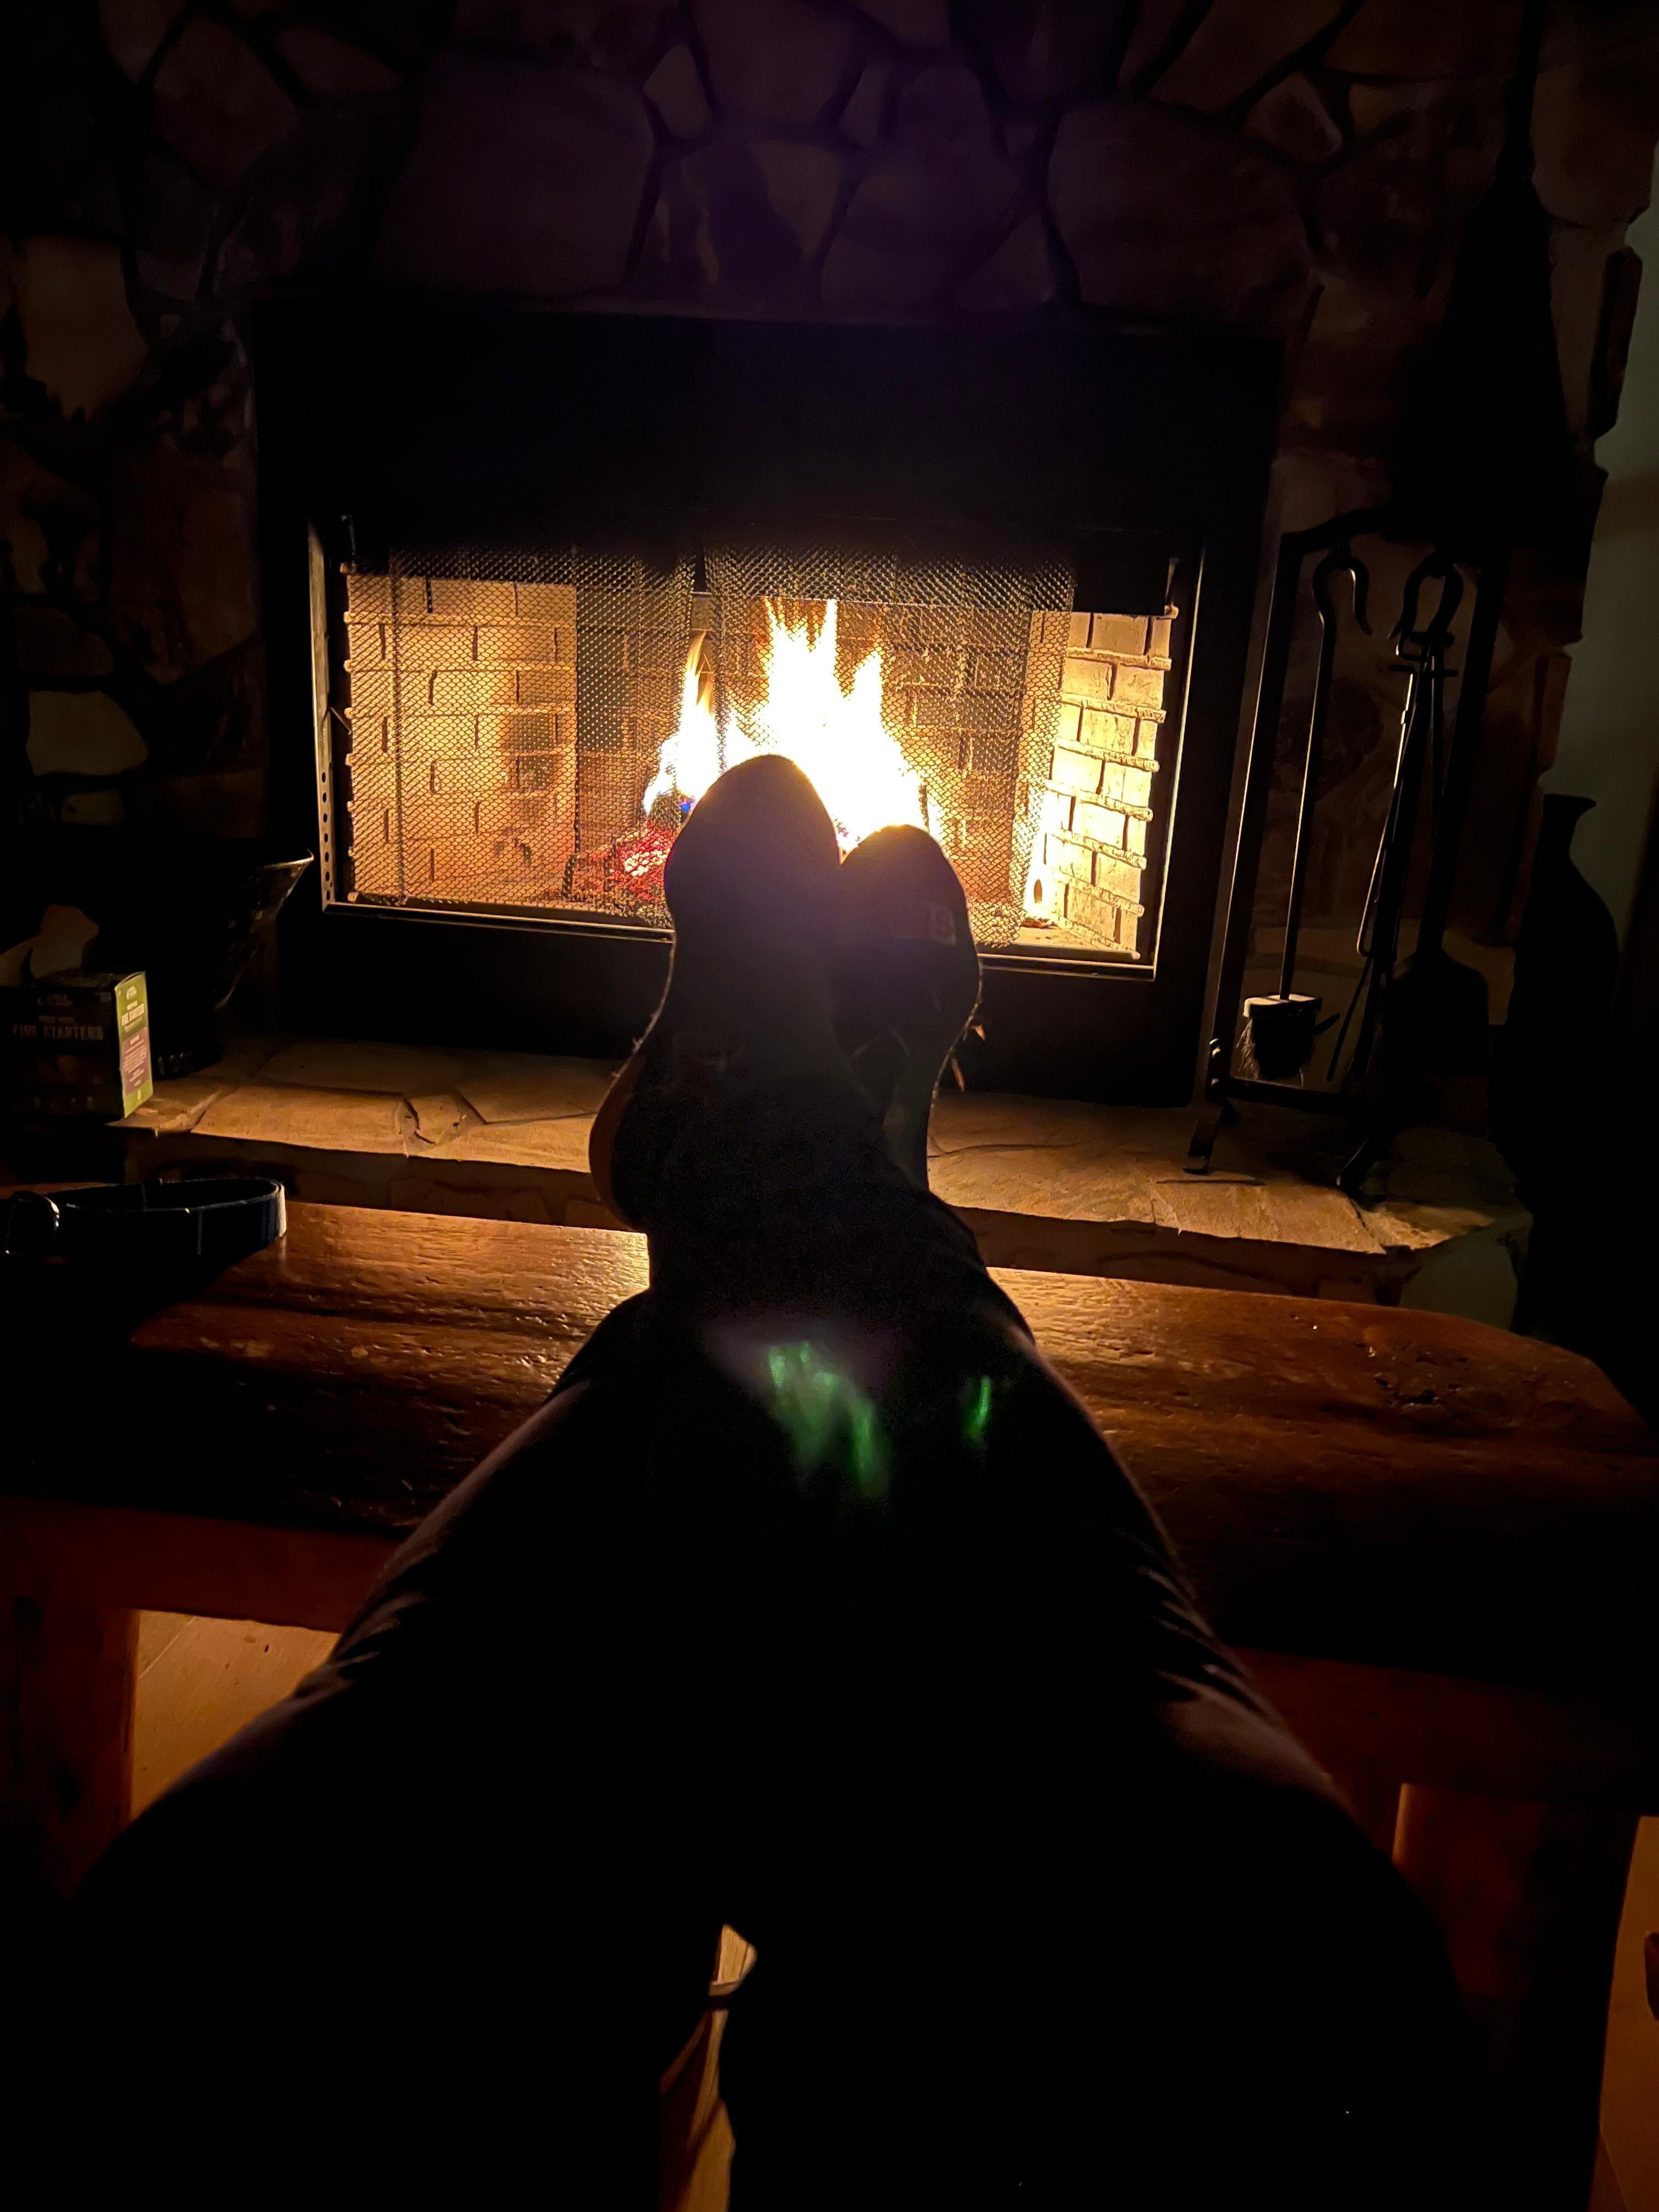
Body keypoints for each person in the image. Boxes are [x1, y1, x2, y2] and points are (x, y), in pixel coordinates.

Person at [67, 761, 1474, 2205]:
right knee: (1209, 1881)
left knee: (376, 1813)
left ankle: (768, 1168)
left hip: (392, 1858)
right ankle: (863, 1174)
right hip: (1140, 1916)